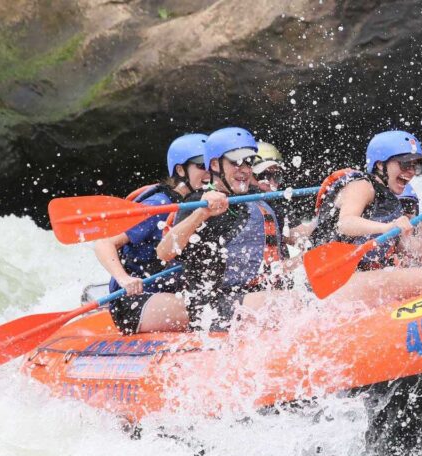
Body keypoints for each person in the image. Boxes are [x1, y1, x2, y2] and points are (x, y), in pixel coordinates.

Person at [309, 130, 422, 304]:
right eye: (404, 165)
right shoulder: (362, 185)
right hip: (332, 283)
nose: (411, 172)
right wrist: (387, 227)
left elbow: (418, 254)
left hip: (355, 282)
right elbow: (345, 222)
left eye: (414, 166)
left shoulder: (391, 204)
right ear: (380, 165)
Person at [156, 127, 290, 332]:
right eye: (236, 162)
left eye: (248, 162)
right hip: (214, 305)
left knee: (300, 299)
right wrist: (201, 213)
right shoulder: (196, 202)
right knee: (284, 304)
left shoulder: (258, 198)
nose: (244, 169)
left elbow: (294, 235)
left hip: (258, 295)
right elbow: (164, 253)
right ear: (215, 165)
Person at [93, 133, 207, 335]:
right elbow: (104, 243)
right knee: (207, 310)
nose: (209, 173)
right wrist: (124, 279)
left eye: (212, 165)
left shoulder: (205, 204)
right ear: (180, 170)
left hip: (172, 293)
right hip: (136, 300)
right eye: (201, 166)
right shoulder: (159, 205)